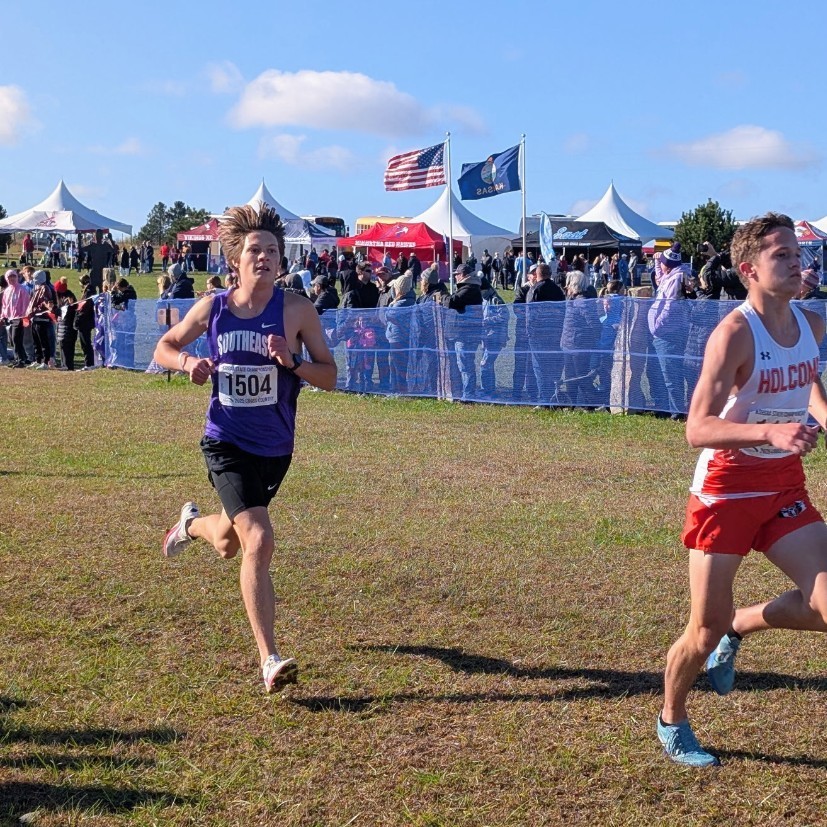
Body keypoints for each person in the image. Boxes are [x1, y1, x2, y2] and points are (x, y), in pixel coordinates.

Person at [658, 212, 827, 767]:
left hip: (783, 487)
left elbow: (808, 382)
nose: (796, 260)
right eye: (781, 254)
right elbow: (696, 429)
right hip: (726, 491)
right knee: (701, 631)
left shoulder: (812, 324)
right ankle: (672, 717)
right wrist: (770, 431)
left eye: (797, 251)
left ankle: (743, 623)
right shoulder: (733, 333)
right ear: (748, 269)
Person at [153, 204, 337, 694]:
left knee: (228, 542)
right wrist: (187, 361)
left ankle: (190, 524)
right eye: (255, 249)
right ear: (236, 258)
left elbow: (331, 377)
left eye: (273, 251)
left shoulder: (296, 309)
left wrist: (292, 362)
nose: (266, 257)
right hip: (225, 441)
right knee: (258, 539)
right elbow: (163, 346)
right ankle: (269, 658)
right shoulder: (213, 308)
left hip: (275, 448)